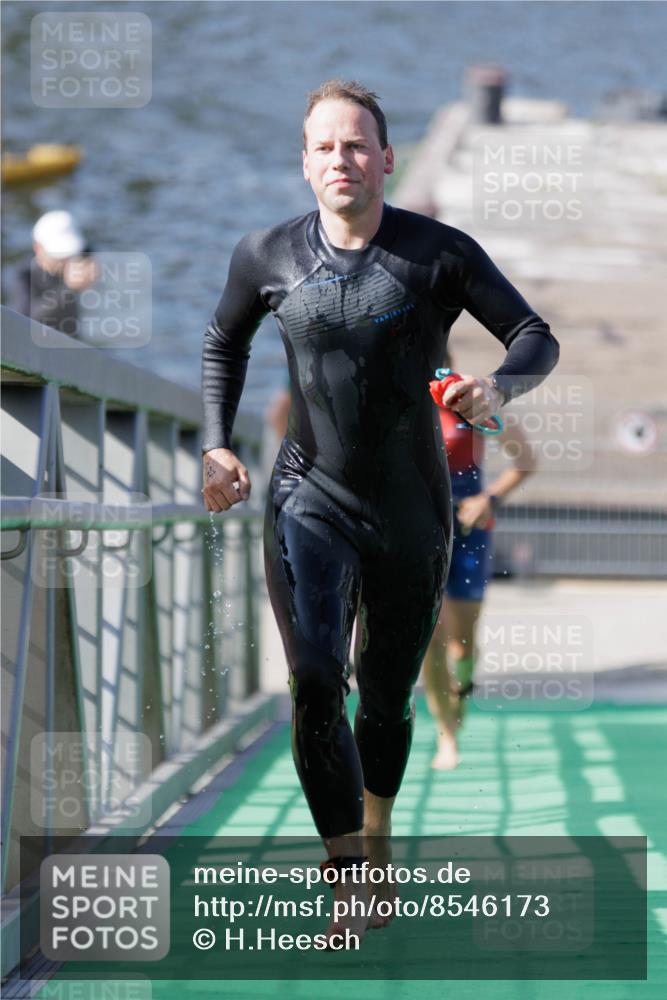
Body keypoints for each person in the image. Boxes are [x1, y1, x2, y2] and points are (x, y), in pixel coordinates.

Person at [200, 79, 559, 946]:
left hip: (410, 508)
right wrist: (215, 444)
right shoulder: (265, 255)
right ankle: (349, 873)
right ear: (304, 162)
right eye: (323, 146)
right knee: (317, 681)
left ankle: (380, 831)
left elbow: (534, 334)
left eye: (355, 144)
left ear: (385, 159)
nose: (340, 159)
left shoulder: (436, 254)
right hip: (304, 500)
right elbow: (222, 340)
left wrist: (495, 388)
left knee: (388, 700)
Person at [421, 352, 536, 770]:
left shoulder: (468, 398)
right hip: (419, 526)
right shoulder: (395, 400)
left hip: (469, 526)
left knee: (460, 642)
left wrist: (488, 498)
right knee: (427, 637)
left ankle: (462, 697)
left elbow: (525, 460)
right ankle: (445, 733)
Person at [11, 210, 97, 338]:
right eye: (59, 254)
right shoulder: (24, 275)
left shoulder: (77, 264)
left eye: (69, 254)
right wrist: (69, 288)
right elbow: (24, 319)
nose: (64, 261)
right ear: (38, 248)